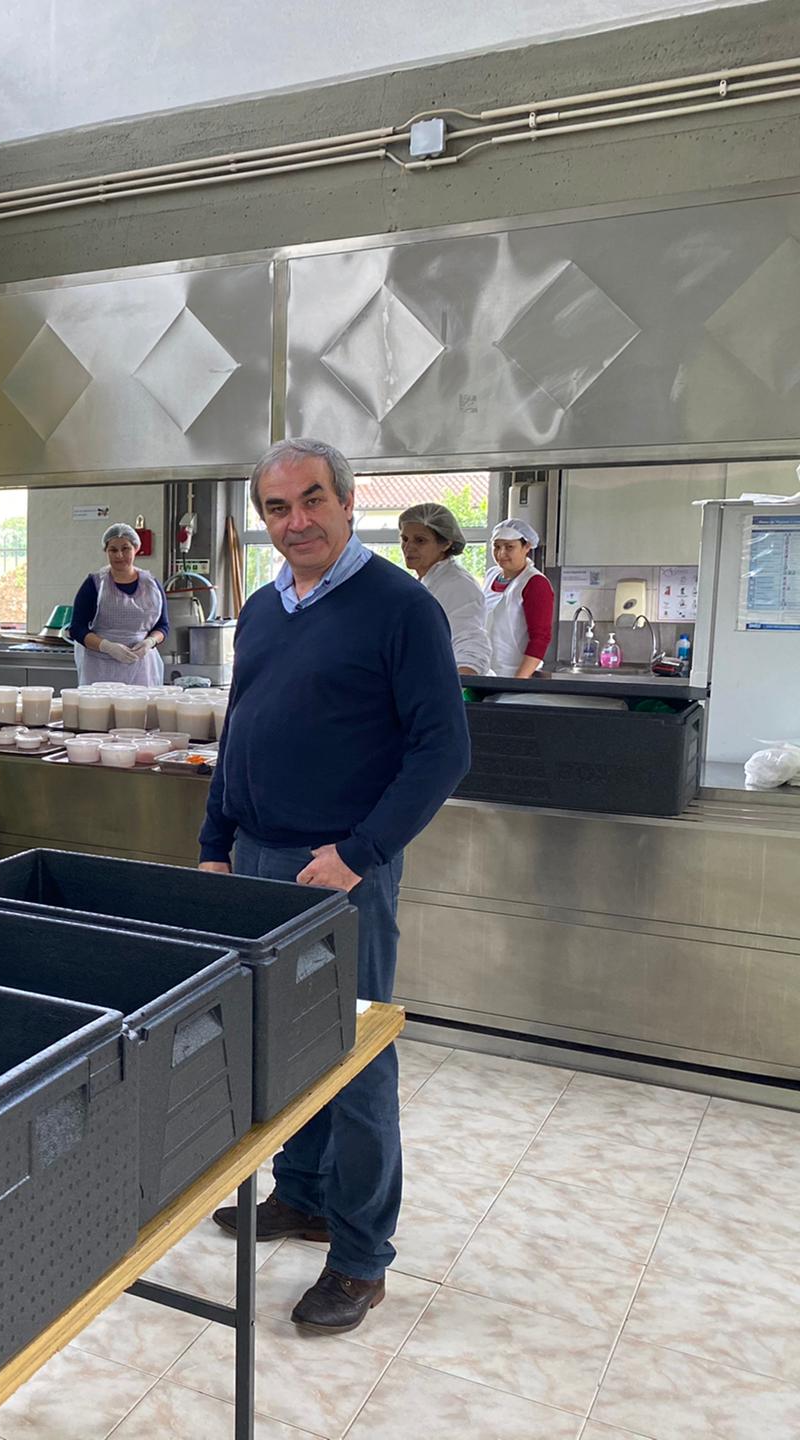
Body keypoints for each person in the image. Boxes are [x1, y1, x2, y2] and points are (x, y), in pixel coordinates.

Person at [201, 438, 469, 1335]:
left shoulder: (400, 607)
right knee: (284, 1046)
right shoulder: (264, 606)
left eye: (313, 500)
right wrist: (215, 843)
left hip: (341, 872)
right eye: (277, 508)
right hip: (258, 860)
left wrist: (360, 853)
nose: (297, 521)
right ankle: (305, 1194)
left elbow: (443, 750)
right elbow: (239, 730)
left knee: (354, 1059)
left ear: (349, 503)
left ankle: (359, 1258)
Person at [398, 502, 490, 676]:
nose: (408, 547)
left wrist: (456, 687)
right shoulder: (425, 581)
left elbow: (470, 646)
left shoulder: (458, 585)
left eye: (420, 540)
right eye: (405, 539)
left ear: (446, 543)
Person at [70, 523, 168, 685]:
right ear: (106, 551)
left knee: (140, 702)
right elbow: (77, 628)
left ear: (136, 549)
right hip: (100, 667)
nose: (119, 555)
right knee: (102, 702)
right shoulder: (95, 584)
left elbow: (163, 626)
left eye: (125, 549)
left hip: (142, 667)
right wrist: (107, 646)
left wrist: (150, 642)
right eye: (113, 550)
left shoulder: (151, 585)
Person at [483, 518, 555, 680]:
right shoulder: (491, 575)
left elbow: (540, 638)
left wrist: (518, 681)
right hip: (486, 671)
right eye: (496, 546)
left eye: (509, 547)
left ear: (526, 546)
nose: (501, 554)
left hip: (514, 674)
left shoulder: (535, 583)